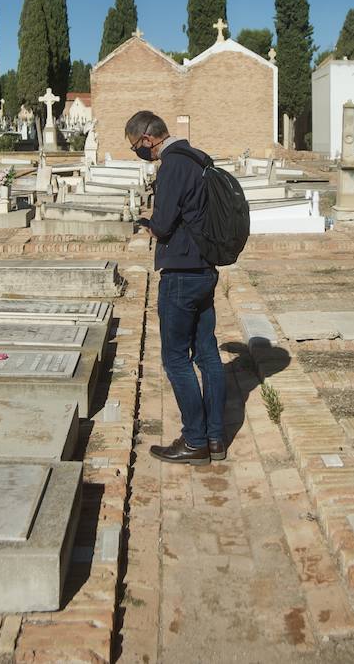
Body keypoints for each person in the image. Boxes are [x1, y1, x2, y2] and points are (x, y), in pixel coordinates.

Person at [125, 110, 225, 465]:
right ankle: (215, 437)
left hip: (180, 272)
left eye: (137, 146)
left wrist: (149, 224)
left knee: (175, 358)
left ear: (148, 138)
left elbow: (165, 225)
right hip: (205, 268)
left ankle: (194, 440)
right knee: (208, 355)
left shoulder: (172, 165)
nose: (140, 151)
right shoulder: (198, 158)